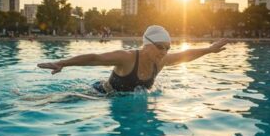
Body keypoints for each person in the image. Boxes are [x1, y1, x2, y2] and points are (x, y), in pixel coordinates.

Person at [37, 25, 229, 94]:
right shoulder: (127, 58)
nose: (164, 52)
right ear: (147, 44)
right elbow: (95, 57)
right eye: (160, 47)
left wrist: (210, 50)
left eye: (168, 48)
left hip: (127, 100)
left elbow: (186, 56)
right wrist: (62, 63)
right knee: (62, 100)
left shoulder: (160, 62)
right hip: (102, 94)